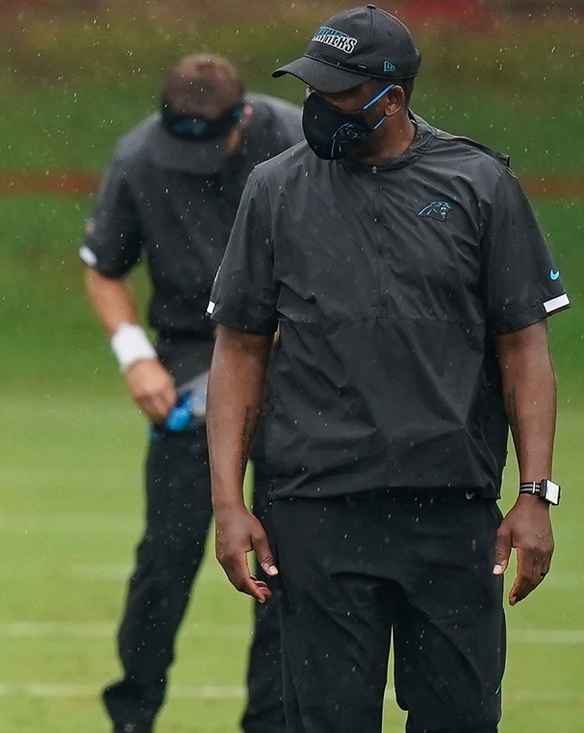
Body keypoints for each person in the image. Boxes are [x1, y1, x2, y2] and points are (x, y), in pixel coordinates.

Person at [205, 6, 569, 732]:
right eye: (309, 86)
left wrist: (534, 494)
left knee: (460, 719)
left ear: (392, 98)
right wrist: (228, 502)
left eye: (335, 91)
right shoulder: (275, 190)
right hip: (316, 512)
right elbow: (239, 350)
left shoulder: (481, 186)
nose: (315, 106)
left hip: (451, 514)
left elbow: (523, 348)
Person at [79, 54, 301, 733]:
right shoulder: (139, 157)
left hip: (296, 374)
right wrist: (135, 356)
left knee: (284, 562)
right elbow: (103, 269)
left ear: (243, 120)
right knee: (165, 560)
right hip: (187, 371)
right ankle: (132, 716)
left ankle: (270, 722)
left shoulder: (301, 147)